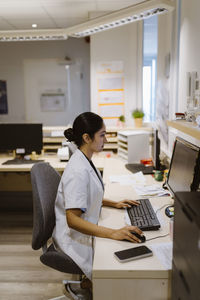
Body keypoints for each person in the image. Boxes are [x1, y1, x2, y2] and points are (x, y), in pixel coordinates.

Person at [52, 112, 143, 300]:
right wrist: (113, 232)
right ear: (87, 137)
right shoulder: (78, 170)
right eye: (102, 134)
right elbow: (72, 220)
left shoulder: (84, 159)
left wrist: (113, 203)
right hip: (73, 238)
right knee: (115, 256)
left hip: (81, 228)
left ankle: (89, 284)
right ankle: (95, 285)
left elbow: (87, 194)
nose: (106, 139)